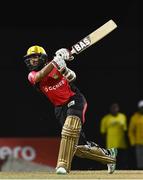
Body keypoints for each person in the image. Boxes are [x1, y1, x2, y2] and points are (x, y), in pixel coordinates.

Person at [23, 45, 117, 174]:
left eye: (35, 57)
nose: (32, 60)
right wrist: (55, 62)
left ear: (43, 58)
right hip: (60, 108)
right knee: (78, 147)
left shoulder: (56, 64)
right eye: (30, 58)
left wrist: (64, 67)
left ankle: (62, 166)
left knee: (69, 128)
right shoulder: (32, 75)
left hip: (75, 99)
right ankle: (110, 156)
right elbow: (39, 76)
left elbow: (72, 77)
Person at [100, 103, 128, 169]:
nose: (115, 109)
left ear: (118, 109)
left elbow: (125, 130)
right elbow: (103, 132)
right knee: (111, 161)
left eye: (116, 108)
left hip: (121, 144)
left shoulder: (123, 116)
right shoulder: (105, 119)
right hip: (111, 144)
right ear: (110, 109)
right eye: (113, 108)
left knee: (123, 161)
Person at [128, 100, 143, 169]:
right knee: (140, 161)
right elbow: (131, 131)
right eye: (141, 107)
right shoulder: (134, 117)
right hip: (139, 142)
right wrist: (133, 142)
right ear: (139, 108)